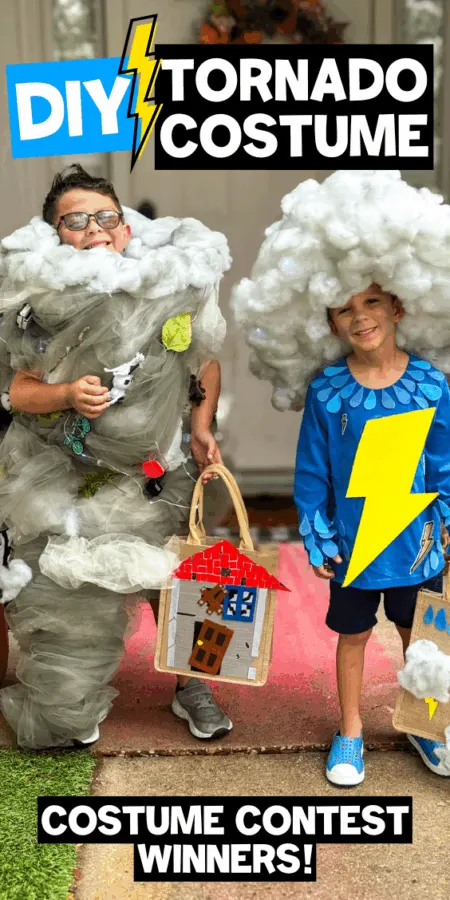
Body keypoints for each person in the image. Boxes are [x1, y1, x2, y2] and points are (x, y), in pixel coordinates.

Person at [0, 164, 232, 749]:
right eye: (74, 221)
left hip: (160, 472)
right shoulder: (38, 300)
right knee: (69, 602)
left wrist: (201, 427)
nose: (94, 229)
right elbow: (17, 388)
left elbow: (204, 362)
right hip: (68, 477)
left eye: (105, 217)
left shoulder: (167, 284)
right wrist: (65, 395)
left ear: (125, 229)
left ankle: (194, 686)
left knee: (183, 580)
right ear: (56, 234)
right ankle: (69, 698)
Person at [232, 170, 450, 784]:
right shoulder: (329, 391)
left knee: (420, 634)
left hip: (417, 541)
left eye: (372, 302)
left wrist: (447, 526)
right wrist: (320, 535)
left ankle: (426, 722)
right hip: (354, 542)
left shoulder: (430, 384)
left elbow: (443, 465)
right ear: (327, 323)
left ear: (399, 304)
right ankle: (350, 732)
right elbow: (312, 472)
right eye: (344, 309)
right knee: (352, 635)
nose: (360, 318)